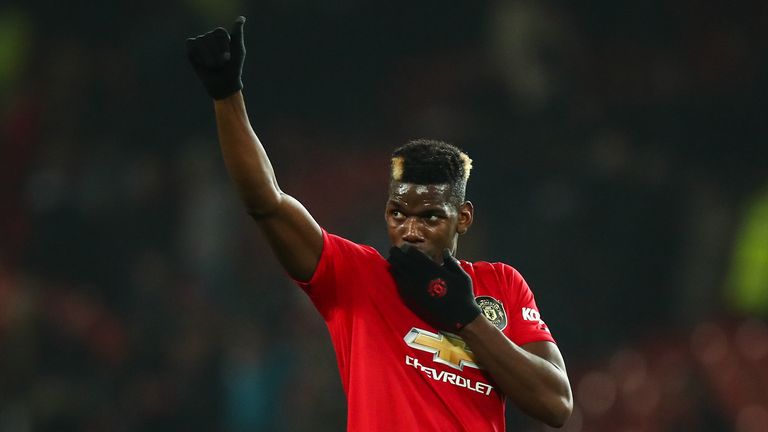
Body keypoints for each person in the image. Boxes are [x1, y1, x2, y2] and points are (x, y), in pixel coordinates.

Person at [186, 16, 573, 431]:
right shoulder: (356, 276)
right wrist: (228, 96)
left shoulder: (502, 285)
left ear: (463, 218)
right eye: (399, 214)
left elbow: (556, 404)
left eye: (430, 217)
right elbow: (266, 201)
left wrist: (468, 320)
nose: (411, 230)